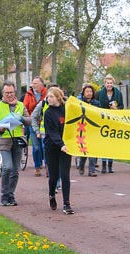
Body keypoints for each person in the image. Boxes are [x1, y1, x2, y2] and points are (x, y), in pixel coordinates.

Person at [0, 80, 31, 206]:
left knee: (16, 170)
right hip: (4, 140)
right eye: (7, 93)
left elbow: (29, 120)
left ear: (15, 92)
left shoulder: (20, 105)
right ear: (2, 93)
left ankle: (11, 195)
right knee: (8, 167)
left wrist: (21, 119)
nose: (9, 95)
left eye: (11, 92)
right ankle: (4, 195)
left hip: (18, 139)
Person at [43, 87, 74, 215]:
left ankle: (67, 203)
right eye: (48, 97)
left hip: (66, 147)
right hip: (52, 147)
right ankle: (51, 195)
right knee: (54, 175)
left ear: (58, 97)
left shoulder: (67, 110)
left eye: (51, 96)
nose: (49, 99)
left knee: (65, 175)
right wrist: (60, 144)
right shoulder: (48, 113)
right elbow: (52, 131)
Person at [96, 74, 124, 174]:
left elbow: (121, 106)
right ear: (105, 84)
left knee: (111, 142)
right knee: (104, 142)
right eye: (107, 83)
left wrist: (116, 109)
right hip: (103, 121)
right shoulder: (99, 93)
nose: (109, 85)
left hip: (113, 121)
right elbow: (95, 106)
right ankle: (103, 164)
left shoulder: (118, 93)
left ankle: (110, 164)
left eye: (111, 83)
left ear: (113, 83)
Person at [23, 76, 47, 177]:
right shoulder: (28, 95)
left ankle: (48, 167)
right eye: (33, 83)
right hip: (32, 122)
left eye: (35, 83)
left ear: (41, 84)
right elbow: (25, 107)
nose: (33, 85)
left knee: (45, 146)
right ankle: (37, 167)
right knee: (36, 147)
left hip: (45, 124)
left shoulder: (47, 94)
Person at [78, 84, 100, 177]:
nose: (89, 93)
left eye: (90, 91)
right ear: (83, 93)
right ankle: (81, 165)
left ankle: (92, 170)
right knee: (84, 150)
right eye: (87, 91)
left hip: (93, 129)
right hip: (83, 129)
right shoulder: (79, 103)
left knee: (92, 149)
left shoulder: (97, 103)